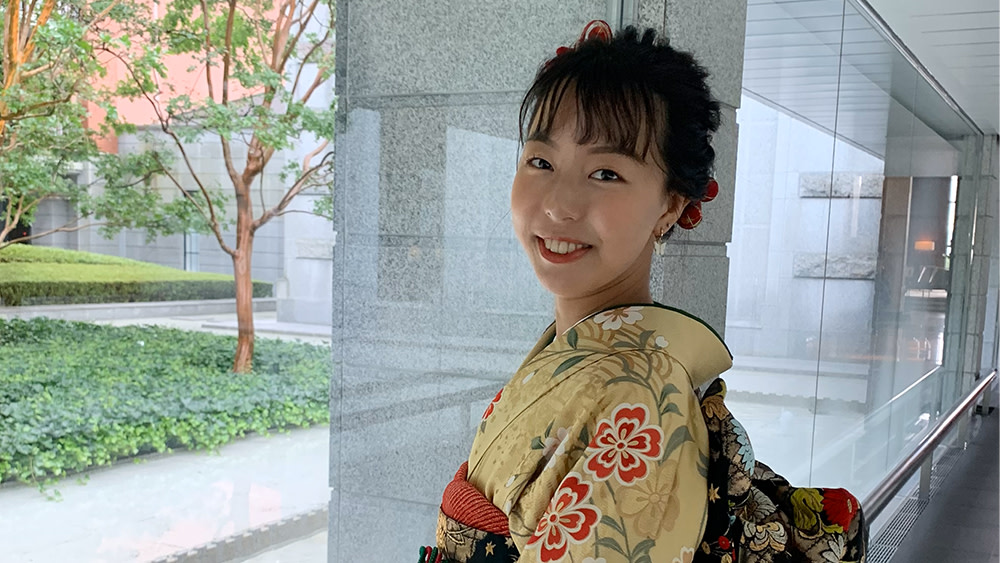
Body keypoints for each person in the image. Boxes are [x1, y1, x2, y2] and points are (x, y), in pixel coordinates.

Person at [420, 21, 867, 563]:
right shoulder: (584, 355)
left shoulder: (642, 401)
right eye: (541, 162)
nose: (559, 203)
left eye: (605, 173)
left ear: (672, 206)